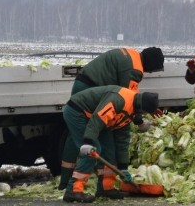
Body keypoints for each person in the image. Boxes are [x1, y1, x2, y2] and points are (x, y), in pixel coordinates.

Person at [57, 46, 165, 191]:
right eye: (152, 69)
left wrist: (123, 167)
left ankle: (104, 186)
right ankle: (71, 185)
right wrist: (139, 120)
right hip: (88, 91)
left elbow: (130, 105)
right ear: (151, 64)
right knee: (87, 140)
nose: (149, 72)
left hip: (85, 83)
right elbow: (129, 99)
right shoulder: (134, 71)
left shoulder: (132, 56)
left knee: (99, 140)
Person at [62, 85, 160, 203]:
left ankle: (105, 188)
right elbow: (97, 119)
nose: (143, 114)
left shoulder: (132, 110)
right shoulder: (118, 100)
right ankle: (73, 190)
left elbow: (122, 140)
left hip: (98, 120)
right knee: (92, 150)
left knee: (109, 149)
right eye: (144, 112)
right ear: (141, 108)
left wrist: (123, 168)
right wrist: (88, 141)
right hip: (79, 112)